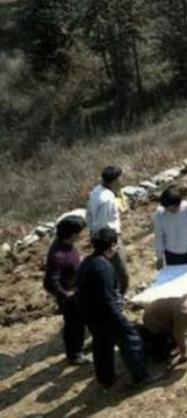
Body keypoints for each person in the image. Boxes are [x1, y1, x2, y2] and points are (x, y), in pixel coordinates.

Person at [76, 227, 154, 388]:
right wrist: (120, 315)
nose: (116, 247)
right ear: (111, 245)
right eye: (115, 244)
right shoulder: (104, 267)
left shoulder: (87, 262)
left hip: (91, 315)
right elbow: (106, 298)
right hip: (109, 315)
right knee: (131, 341)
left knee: (102, 345)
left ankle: (106, 379)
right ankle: (141, 377)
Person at [43, 216, 89, 365]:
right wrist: (66, 295)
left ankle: (79, 349)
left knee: (80, 323)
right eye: (79, 232)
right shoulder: (58, 256)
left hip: (78, 291)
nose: (82, 235)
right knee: (73, 326)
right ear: (72, 234)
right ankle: (74, 355)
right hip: (70, 298)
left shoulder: (69, 246)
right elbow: (50, 282)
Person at [86, 166, 129, 295]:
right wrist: (110, 244)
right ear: (115, 181)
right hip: (108, 239)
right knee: (121, 272)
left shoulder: (96, 192)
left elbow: (89, 215)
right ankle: (119, 296)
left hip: (96, 235)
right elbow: (104, 224)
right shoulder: (107, 199)